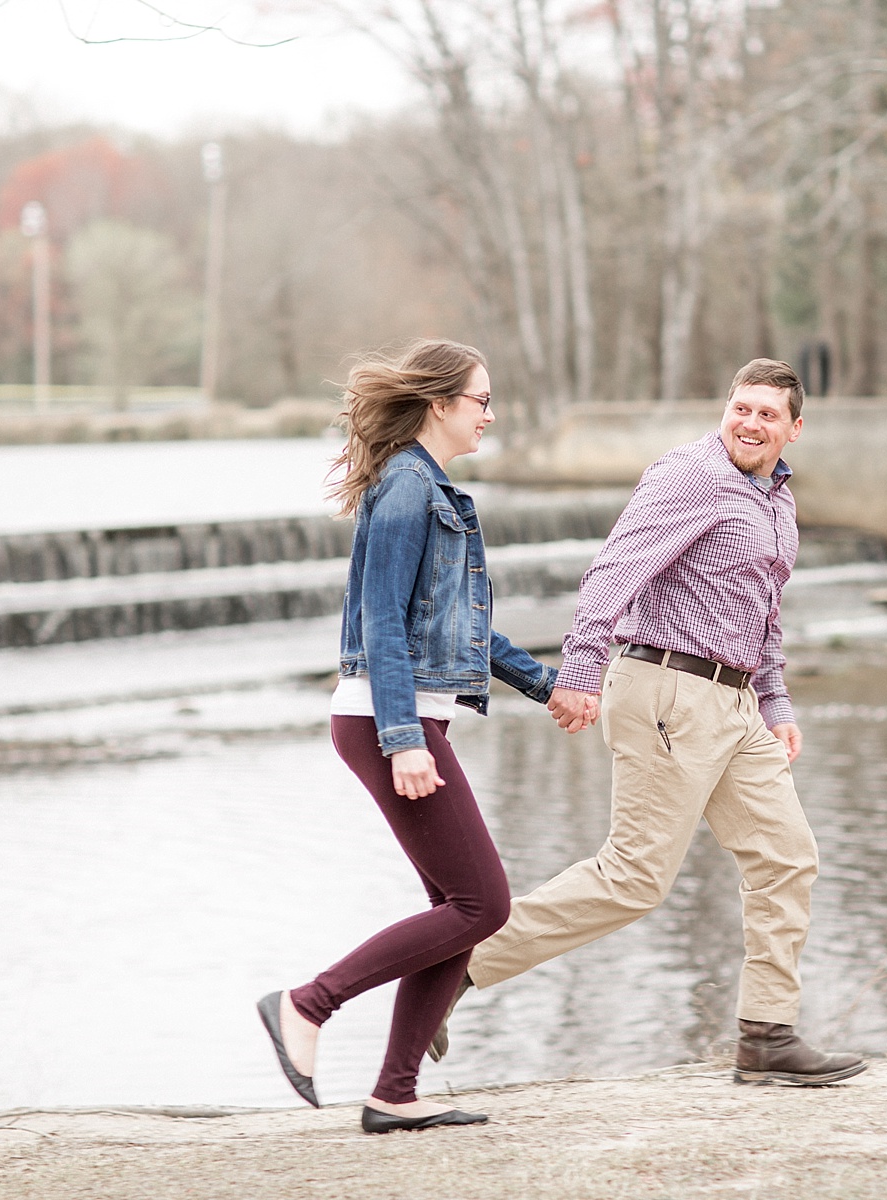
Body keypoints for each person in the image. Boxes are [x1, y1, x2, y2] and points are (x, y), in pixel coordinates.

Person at [430, 358, 865, 1086]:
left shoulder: (778, 502)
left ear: (794, 429)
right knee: (635, 877)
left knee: (787, 857)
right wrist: (579, 669)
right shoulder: (691, 474)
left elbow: (765, 613)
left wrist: (775, 703)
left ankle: (767, 1035)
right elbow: (613, 571)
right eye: (741, 408)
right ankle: (452, 968)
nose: (750, 423)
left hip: (737, 704)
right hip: (667, 689)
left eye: (767, 414)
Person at [256, 339, 557, 1134]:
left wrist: (547, 685)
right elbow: (382, 620)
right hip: (386, 718)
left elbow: (463, 628)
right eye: (482, 400)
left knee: (456, 908)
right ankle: (306, 1005)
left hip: (406, 714)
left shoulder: (431, 488)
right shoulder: (406, 490)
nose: (490, 414)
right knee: (482, 903)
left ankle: (395, 1092)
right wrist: (404, 738)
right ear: (439, 404)